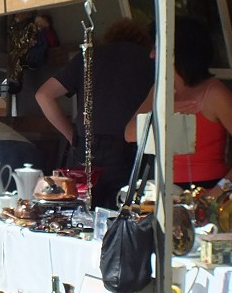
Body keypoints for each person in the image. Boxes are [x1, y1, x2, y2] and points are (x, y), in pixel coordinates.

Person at [124, 16, 232, 196]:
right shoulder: (160, 89)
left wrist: (217, 193)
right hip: (165, 191)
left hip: (208, 191)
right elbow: (129, 134)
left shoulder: (215, 93)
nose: (151, 55)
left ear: (177, 51)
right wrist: (163, 112)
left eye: (156, 48)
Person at [36, 18, 154, 208]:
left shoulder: (89, 57)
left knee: (83, 215)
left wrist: (72, 136)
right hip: (129, 147)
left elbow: (44, 95)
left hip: (87, 145)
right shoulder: (148, 60)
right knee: (124, 213)